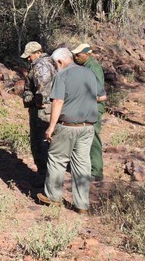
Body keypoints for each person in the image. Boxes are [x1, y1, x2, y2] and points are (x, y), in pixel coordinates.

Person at [37, 47, 106, 214]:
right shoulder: (89, 73)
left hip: (67, 126)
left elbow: (58, 101)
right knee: (82, 164)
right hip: (87, 127)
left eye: (55, 64)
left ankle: (53, 197)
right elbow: (102, 96)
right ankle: (81, 205)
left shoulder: (62, 75)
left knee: (56, 159)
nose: (55, 67)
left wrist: (51, 127)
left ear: (60, 61)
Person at [21, 41, 56, 184]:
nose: (28, 59)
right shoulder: (51, 63)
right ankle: (47, 177)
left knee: (40, 143)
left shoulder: (41, 66)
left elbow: (43, 94)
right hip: (48, 109)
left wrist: (34, 99)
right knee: (45, 143)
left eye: (30, 55)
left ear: (38, 53)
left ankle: (44, 178)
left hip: (42, 111)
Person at [71, 43, 105, 181]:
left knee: (93, 138)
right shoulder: (85, 67)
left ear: (88, 54)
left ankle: (96, 171)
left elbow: (97, 91)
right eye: (75, 55)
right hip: (87, 107)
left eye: (78, 55)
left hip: (93, 108)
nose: (76, 57)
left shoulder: (93, 68)